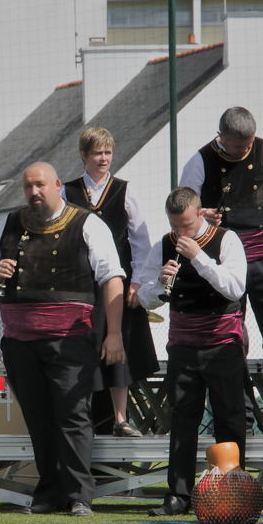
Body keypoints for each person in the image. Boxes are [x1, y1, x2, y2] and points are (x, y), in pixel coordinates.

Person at [0, 162, 125, 517]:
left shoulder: (88, 223)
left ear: (57, 184)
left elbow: (113, 278)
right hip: (19, 342)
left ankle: (78, 495)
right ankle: (48, 492)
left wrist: (115, 333)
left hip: (70, 340)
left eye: (40, 185)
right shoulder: (7, 224)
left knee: (73, 416)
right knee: (39, 417)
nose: (34, 193)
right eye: (28, 187)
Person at [180, 106, 263, 400]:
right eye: (239, 145)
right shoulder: (200, 161)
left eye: (249, 143)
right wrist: (201, 217)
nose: (246, 149)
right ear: (221, 137)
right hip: (223, 258)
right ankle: (239, 413)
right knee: (229, 335)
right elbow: (184, 209)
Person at [138, 188, 247, 517]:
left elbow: (234, 287)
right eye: (175, 226)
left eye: (186, 225)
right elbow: (143, 296)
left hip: (222, 342)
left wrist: (199, 257)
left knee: (229, 417)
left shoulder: (227, 240)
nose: (180, 233)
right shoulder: (164, 243)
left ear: (200, 214)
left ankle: (233, 491)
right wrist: (159, 284)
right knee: (183, 418)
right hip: (183, 343)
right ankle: (178, 495)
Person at [63, 126, 157, 437]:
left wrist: (138, 281)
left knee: (121, 348)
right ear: (84, 155)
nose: (103, 159)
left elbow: (140, 240)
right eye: (97, 153)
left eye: (107, 153)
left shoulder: (124, 191)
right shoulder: (68, 192)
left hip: (118, 281)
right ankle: (84, 417)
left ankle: (120, 418)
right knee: (84, 348)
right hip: (82, 284)